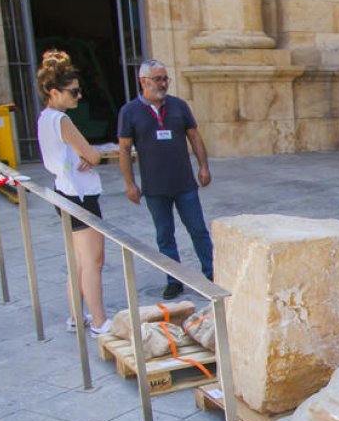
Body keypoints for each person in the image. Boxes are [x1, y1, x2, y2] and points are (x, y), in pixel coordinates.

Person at [117, 59, 213, 300]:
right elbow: (124, 150)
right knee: (164, 234)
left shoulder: (179, 106)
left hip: (184, 183)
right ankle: (174, 279)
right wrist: (130, 184)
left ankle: (211, 274)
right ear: (143, 82)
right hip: (155, 187)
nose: (163, 84)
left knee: (198, 230)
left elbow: (194, 136)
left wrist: (203, 167)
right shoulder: (129, 112)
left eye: (165, 79)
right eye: (158, 79)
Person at [35, 50, 112, 334]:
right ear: (55, 92)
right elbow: (92, 157)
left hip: (64, 191)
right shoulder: (61, 120)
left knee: (78, 260)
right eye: (74, 92)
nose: (79, 97)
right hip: (79, 195)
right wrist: (91, 155)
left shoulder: (45, 118)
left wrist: (83, 155)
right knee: (93, 261)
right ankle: (100, 321)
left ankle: (76, 317)